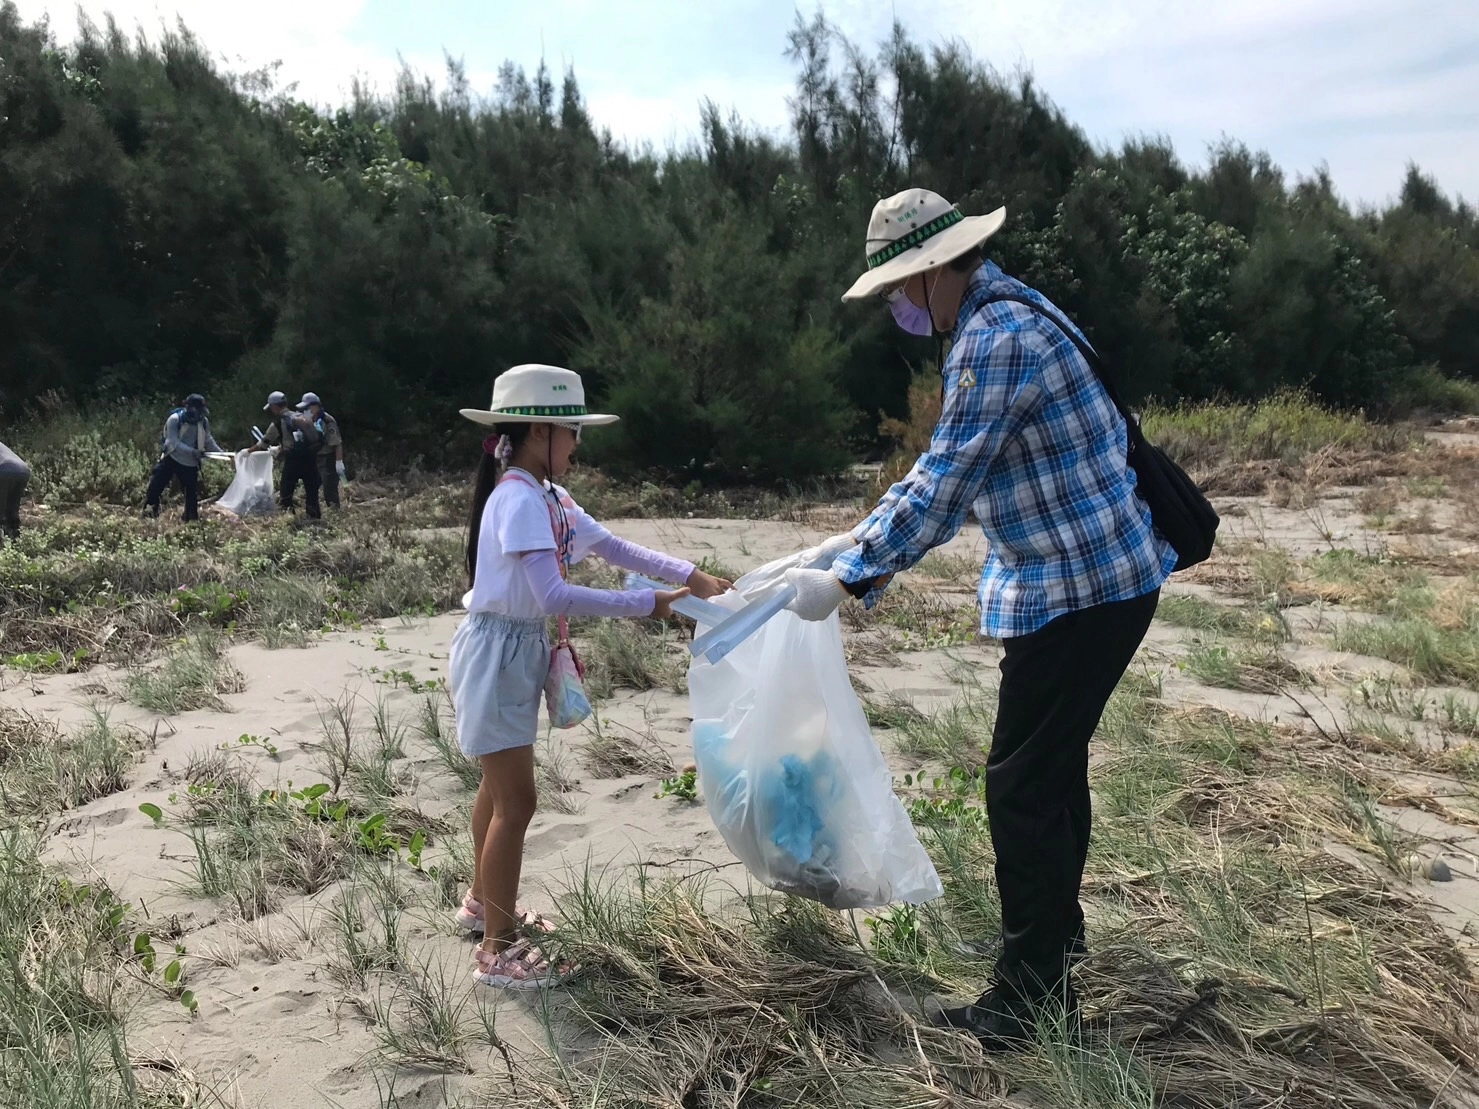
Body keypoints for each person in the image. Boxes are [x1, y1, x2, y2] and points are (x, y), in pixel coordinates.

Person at [782, 189, 1177, 1048]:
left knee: (1020, 786)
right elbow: (946, 469)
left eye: (897, 286)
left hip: (1080, 587)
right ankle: (1050, 952)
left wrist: (849, 579)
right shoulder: (1016, 309)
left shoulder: (996, 340)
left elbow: (945, 479)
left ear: (929, 272)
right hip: (1093, 579)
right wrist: (855, 539)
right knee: (1046, 774)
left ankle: (1029, 1000)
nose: (895, 304)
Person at [450, 363, 731, 989]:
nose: (578, 444)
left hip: (512, 652)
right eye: (572, 431)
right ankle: (497, 947)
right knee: (516, 802)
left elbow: (613, 547)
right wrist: (650, 604)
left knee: (498, 793)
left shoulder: (547, 496)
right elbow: (551, 594)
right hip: (497, 657)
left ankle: (480, 903)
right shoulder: (520, 499)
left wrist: (688, 575)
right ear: (538, 432)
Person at [144, 393, 228, 522]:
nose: (200, 414)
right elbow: (173, 442)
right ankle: (149, 515)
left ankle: (190, 521)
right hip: (171, 458)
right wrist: (193, 451)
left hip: (190, 464)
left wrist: (224, 455)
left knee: (191, 495)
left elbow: (208, 440)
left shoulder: (203, 422)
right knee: (156, 487)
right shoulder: (174, 419)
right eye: (197, 410)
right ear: (189, 407)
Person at [247, 390, 323, 519]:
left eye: (271, 407)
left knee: (286, 490)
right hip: (309, 457)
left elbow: (264, 443)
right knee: (311, 490)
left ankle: (288, 518)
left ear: (275, 406)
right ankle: (314, 517)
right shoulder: (299, 416)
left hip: (293, 460)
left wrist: (247, 452)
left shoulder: (278, 422)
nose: (271, 410)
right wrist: (280, 448)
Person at [296, 392, 346, 510]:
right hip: (313, 458)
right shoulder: (305, 420)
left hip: (327, 458)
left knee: (329, 488)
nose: (306, 410)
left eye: (308, 407)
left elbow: (337, 443)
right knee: (312, 486)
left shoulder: (327, 420)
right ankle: (313, 511)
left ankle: (335, 512)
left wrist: (339, 462)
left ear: (316, 406)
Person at [0, 440, 30, 543]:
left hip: (3, 471)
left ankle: (3, 544)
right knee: (12, 510)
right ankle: (16, 541)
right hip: (23, 470)